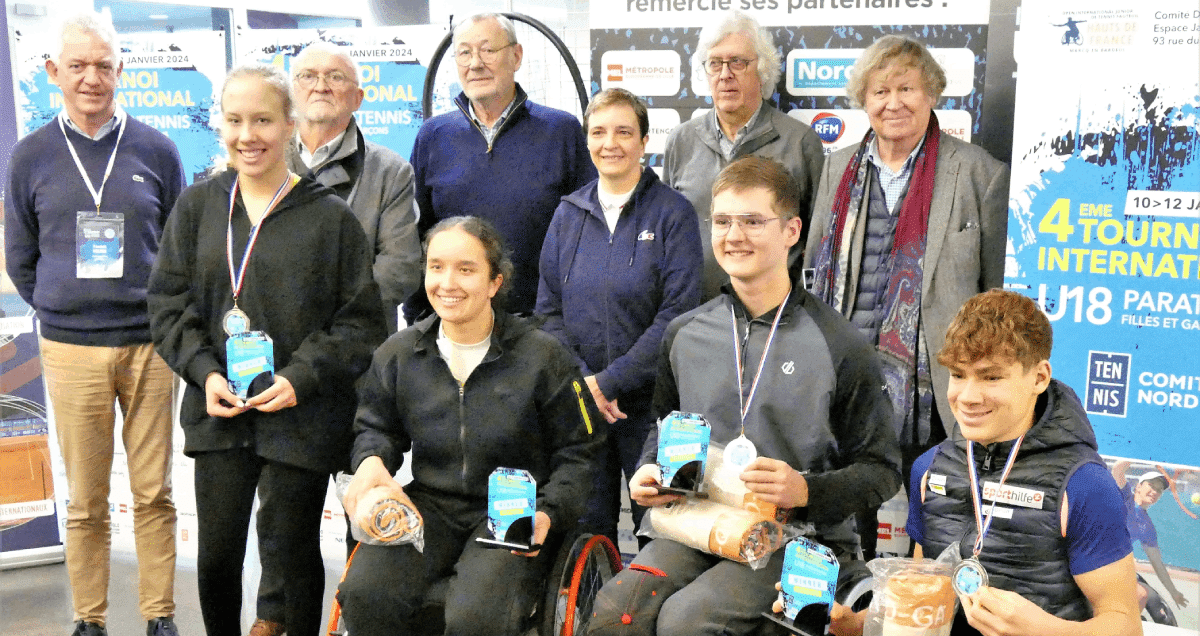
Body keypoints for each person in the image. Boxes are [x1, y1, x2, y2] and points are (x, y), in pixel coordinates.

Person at [587, 157, 901, 636]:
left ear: (792, 230)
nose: (734, 236)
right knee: (617, 611)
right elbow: (663, 425)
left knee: (686, 622)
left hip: (798, 541)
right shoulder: (685, 332)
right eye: (723, 221)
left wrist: (807, 492)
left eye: (754, 221)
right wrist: (651, 468)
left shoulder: (840, 345)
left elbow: (882, 471)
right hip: (699, 524)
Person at [148, 63, 386, 636]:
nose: (247, 135)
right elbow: (168, 305)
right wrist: (204, 373)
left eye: (262, 120)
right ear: (219, 125)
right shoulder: (196, 207)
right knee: (217, 558)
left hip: (298, 415)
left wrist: (300, 378)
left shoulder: (330, 219)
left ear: (289, 125)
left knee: (293, 557)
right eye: (234, 120)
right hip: (219, 410)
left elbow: (359, 324)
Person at [336, 216, 605, 636]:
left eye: (466, 269)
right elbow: (376, 426)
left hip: (511, 508)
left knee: (475, 618)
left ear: (495, 282)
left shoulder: (544, 357)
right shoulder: (401, 353)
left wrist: (549, 513)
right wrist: (371, 459)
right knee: (366, 593)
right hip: (430, 506)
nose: (447, 282)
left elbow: (579, 453)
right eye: (436, 266)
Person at [4, 12, 184, 636]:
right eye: (77, 66)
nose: (91, 78)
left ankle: (159, 615)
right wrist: (63, 306)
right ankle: (90, 619)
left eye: (103, 66)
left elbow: (179, 250)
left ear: (120, 72)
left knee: (154, 491)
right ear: (53, 72)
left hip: (150, 344)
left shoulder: (157, 149)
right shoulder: (30, 156)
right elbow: (22, 258)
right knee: (84, 499)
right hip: (71, 348)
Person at [803, 36, 1009, 555]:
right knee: (846, 518)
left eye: (906, 88)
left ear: (933, 93)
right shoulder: (837, 167)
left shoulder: (978, 173)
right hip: (846, 376)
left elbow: (996, 297)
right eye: (879, 91)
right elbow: (812, 265)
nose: (893, 102)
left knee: (936, 523)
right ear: (864, 100)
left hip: (932, 390)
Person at [871, 289, 1139, 636]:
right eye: (958, 374)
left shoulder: (1084, 484)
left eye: (990, 376)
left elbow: (1126, 626)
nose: (967, 396)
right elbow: (923, 602)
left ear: (1039, 378)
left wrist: (1044, 631)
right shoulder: (929, 468)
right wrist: (854, 623)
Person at [537, 88, 704, 547]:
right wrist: (584, 385)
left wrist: (607, 383)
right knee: (587, 533)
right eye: (598, 132)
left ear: (645, 140)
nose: (610, 143)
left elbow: (678, 314)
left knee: (662, 534)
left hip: (655, 407)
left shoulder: (674, 213)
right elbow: (548, 312)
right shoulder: (567, 213)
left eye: (624, 131)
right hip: (582, 406)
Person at [406, 12, 595, 320]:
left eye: (488, 50)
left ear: (516, 56)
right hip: (454, 325)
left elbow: (587, 235)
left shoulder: (561, 131)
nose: (475, 63)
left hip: (541, 325)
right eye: (464, 52)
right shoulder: (432, 135)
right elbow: (415, 235)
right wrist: (420, 316)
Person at [663, 9, 824, 300]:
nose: (725, 74)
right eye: (715, 63)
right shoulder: (681, 141)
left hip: (777, 316)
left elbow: (817, 241)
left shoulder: (799, 142)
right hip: (695, 312)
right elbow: (667, 235)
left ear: (762, 71)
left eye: (737, 62)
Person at [287, 42, 421, 333]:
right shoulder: (261, 164)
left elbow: (401, 268)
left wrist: (326, 311)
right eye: (307, 76)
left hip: (360, 349)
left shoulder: (391, 172)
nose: (321, 86)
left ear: (358, 98)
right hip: (276, 344)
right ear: (290, 92)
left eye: (335, 77)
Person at [1112, 461, 1190, 616]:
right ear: (1139, 486)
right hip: (1092, 556)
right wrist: (1141, 456)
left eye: (1159, 490)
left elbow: (1157, 564)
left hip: (1113, 566)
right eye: (1151, 485)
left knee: (1141, 595)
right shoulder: (1125, 495)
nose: (1155, 491)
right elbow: (1117, 469)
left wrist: (1173, 592)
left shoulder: (1147, 526)